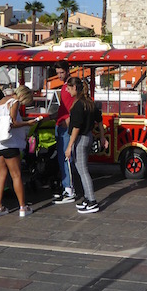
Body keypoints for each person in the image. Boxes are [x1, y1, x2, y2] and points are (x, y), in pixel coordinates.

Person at [0, 85, 42, 217]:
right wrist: (28, 123)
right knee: (16, 175)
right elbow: (12, 123)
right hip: (9, 143)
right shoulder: (15, 102)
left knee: (1, 174)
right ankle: (22, 207)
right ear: (23, 96)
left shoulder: (1, 101)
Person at [64, 76, 105, 214]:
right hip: (88, 136)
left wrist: (69, 146)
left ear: (75, 88)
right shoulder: (89, 103)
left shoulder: (78, 105)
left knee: (83, 171)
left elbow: (76, 127)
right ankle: (88, 198)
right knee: (83, 169)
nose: (68, 91)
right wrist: (102, 136)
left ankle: (92, 201)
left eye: (69, 88)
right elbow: (99, 120)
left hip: (81, 139)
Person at [53, 60, 78, 204]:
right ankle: (66, 186)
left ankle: (69, 189)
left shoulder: (70, 86)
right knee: (62, 158)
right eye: (58, 73)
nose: (59, 75)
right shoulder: (64, 87)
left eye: (61, 72)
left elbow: (77, 104)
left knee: (66, 157)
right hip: (60, 123)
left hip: (65, 126)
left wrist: (68, 120)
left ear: (67, 71)